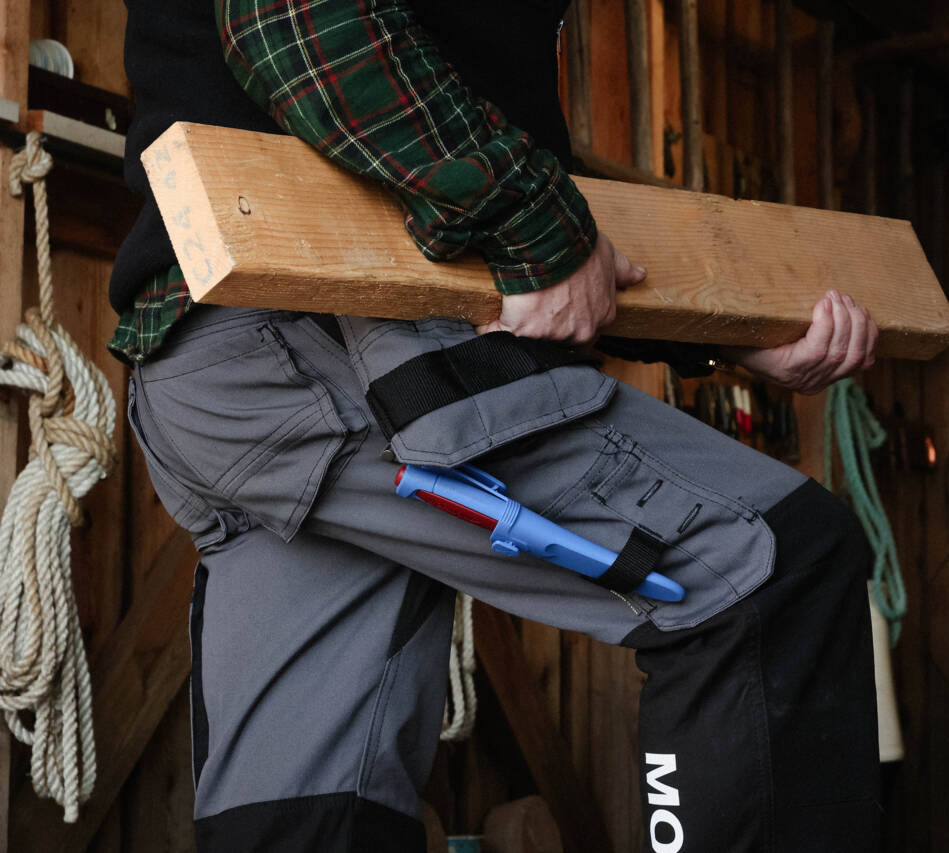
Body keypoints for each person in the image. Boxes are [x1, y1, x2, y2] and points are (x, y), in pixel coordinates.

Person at [109, 0, 882, 850]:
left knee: (312, 807)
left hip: (226, 377)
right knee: (773, 570)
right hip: (326, 339)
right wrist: (534, 225)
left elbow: (538, 236)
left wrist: (732, 329)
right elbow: (289, 16)